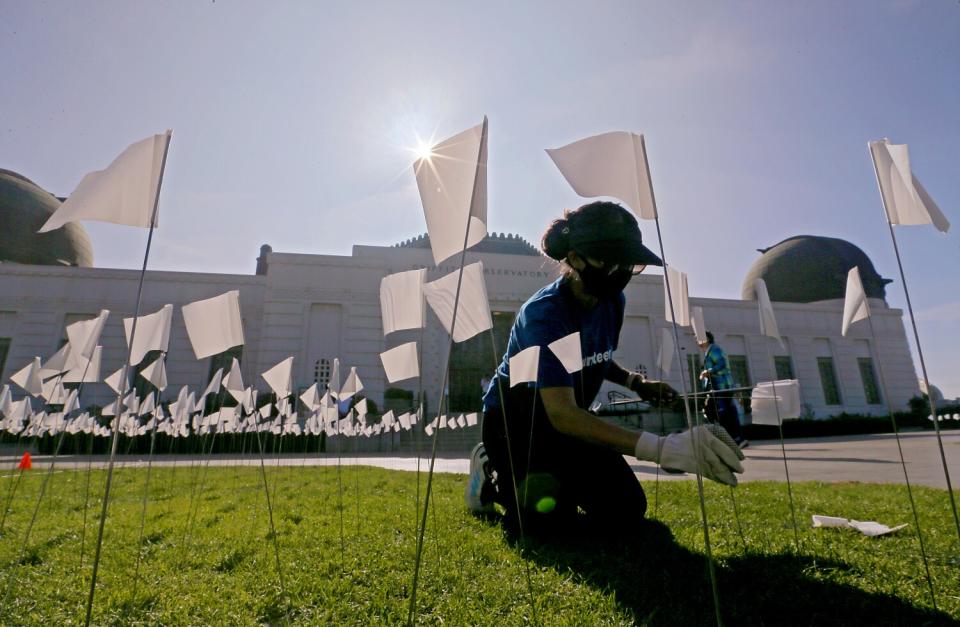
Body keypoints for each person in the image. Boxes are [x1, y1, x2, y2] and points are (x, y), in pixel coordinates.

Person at [465, 201, 744, 533]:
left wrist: (636, 383)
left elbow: (587, 355)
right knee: (547, 517)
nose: (619, 273)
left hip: (567, 424)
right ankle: (491, 474)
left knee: (626, 508)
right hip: (517, 424)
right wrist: (660, 448)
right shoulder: (544, 315)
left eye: (628, 264)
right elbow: (563, 413)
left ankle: (553, 482)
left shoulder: (613, 301)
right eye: (608, 262)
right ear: (575, 259)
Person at [698, 331, 748, 447]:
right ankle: (735, 438)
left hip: (721, 387)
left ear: (706, 339)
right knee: (721, 411)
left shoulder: (714, 350)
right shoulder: (710, 351)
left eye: (698, 338)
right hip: (718, 388)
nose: (696, 341)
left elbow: (722, 364)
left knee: (723, 412)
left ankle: (734, 438)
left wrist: (707, 372)